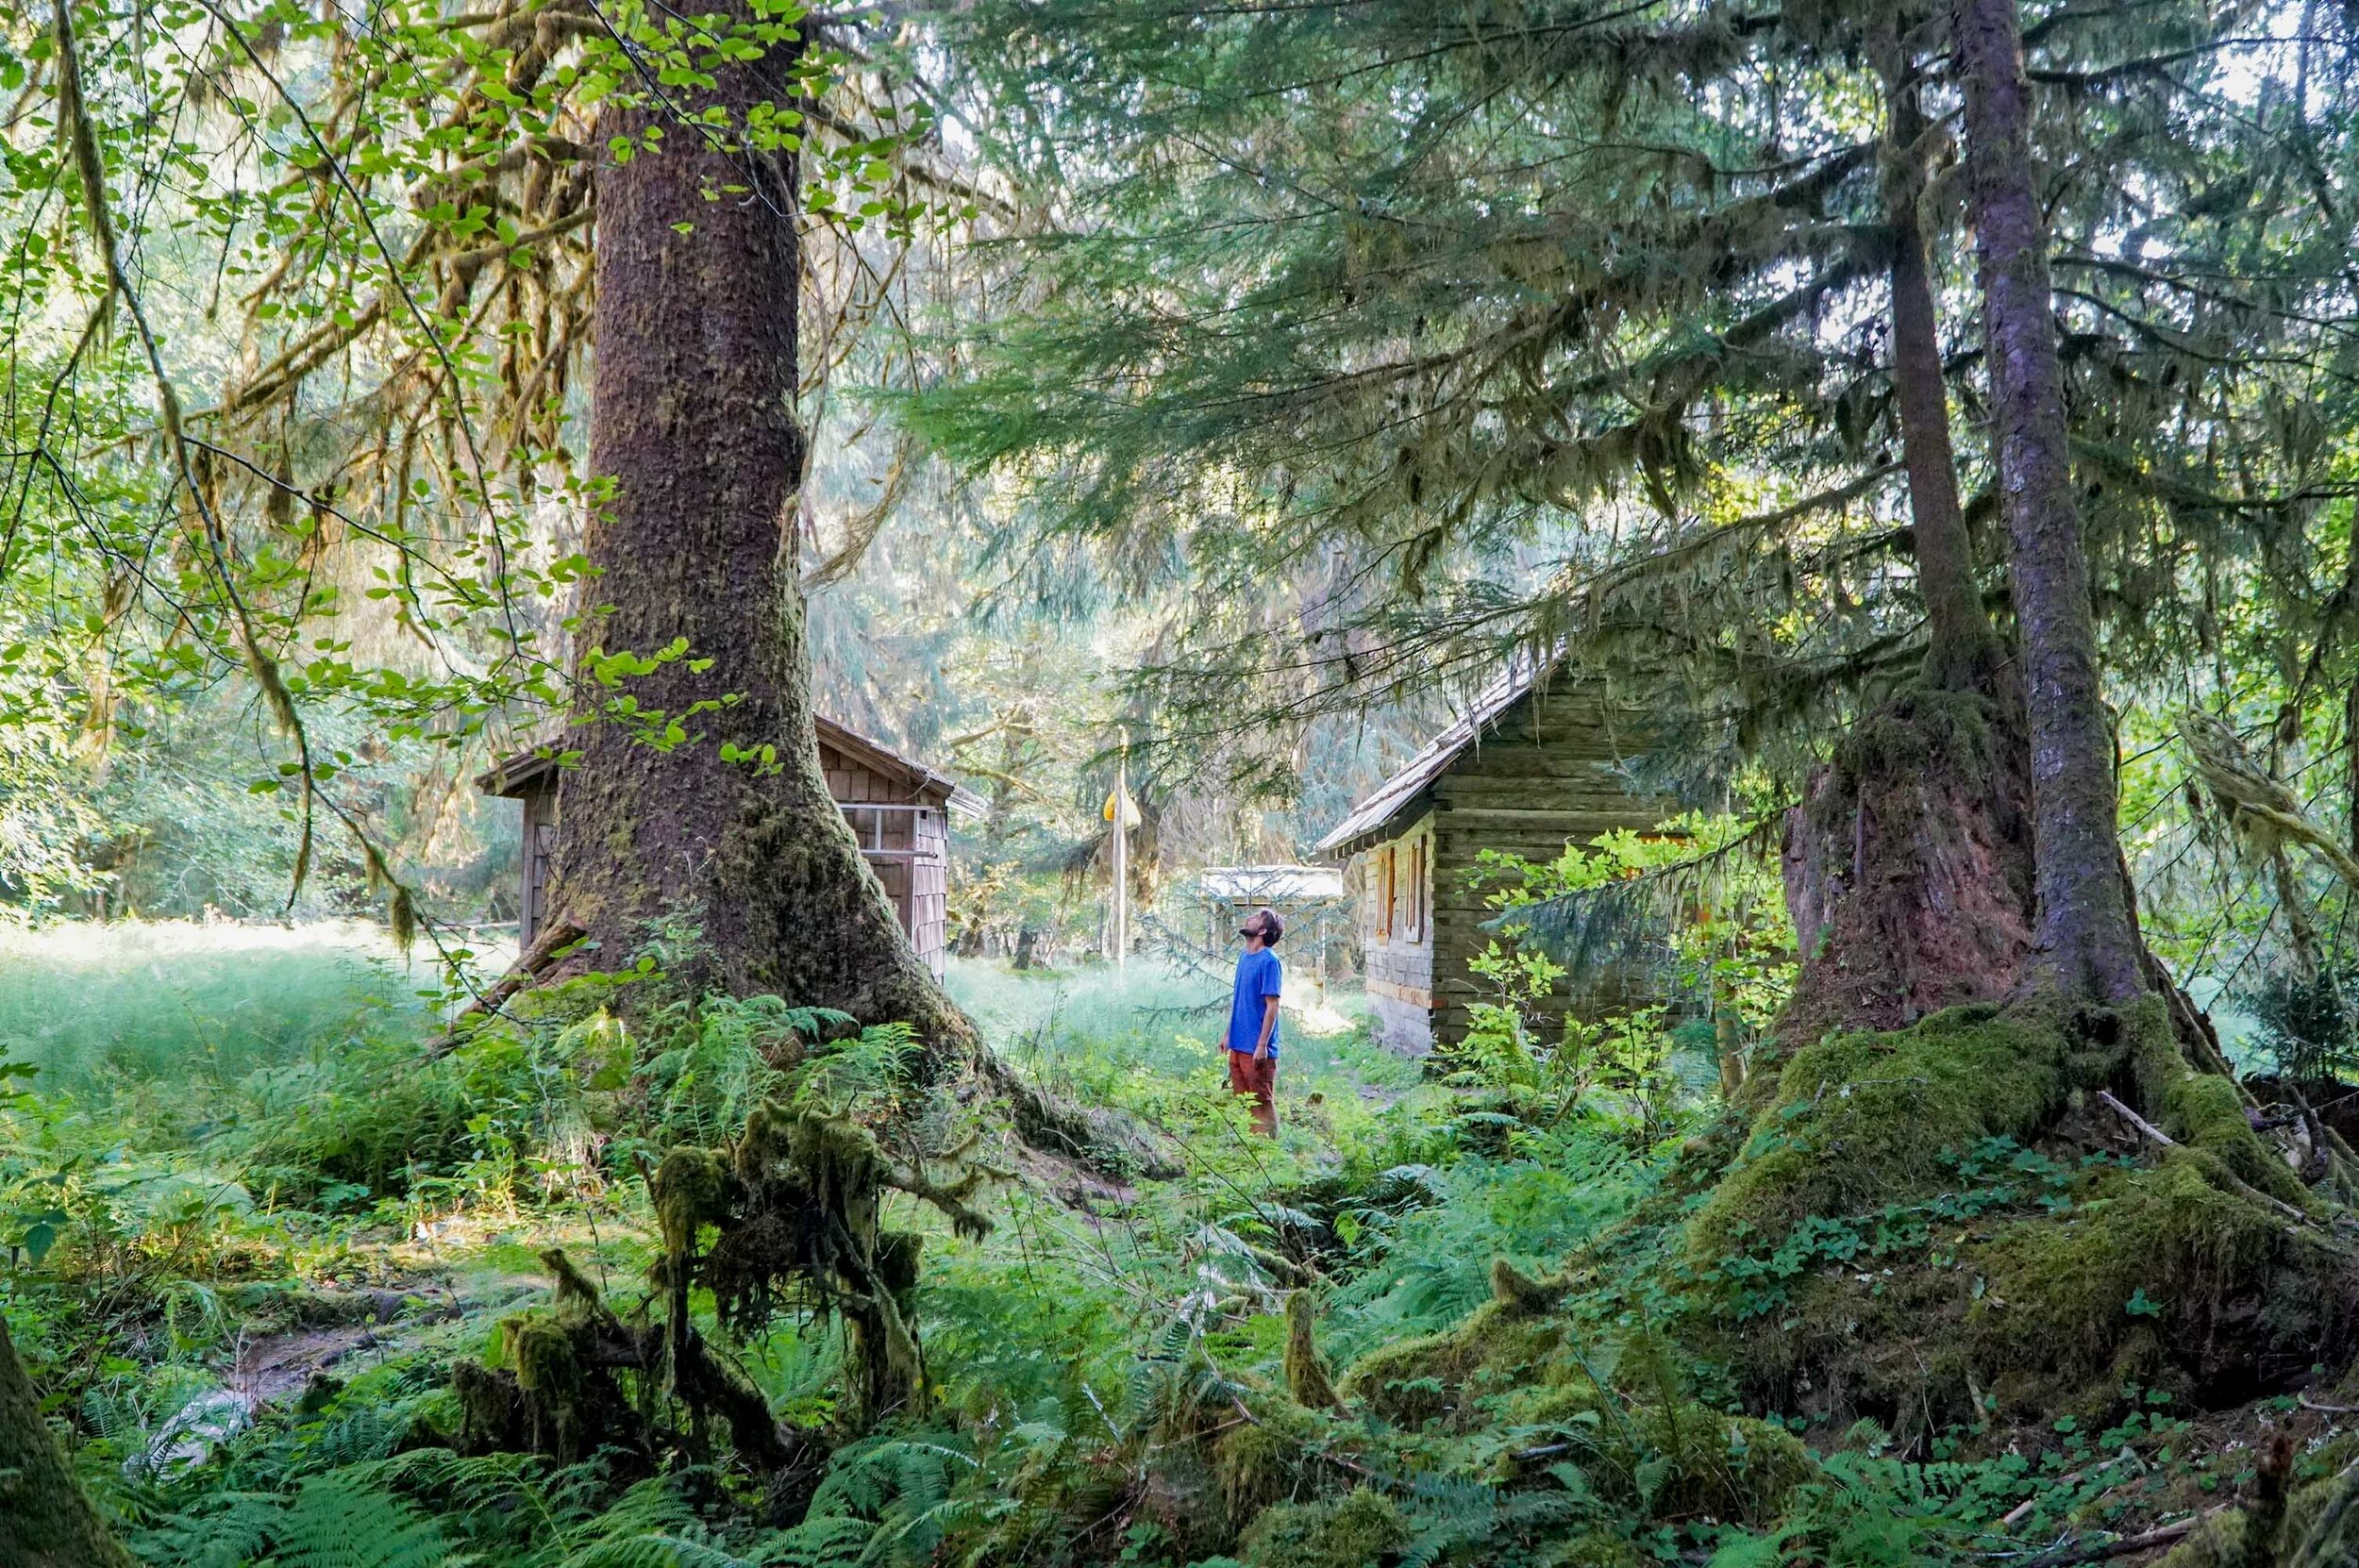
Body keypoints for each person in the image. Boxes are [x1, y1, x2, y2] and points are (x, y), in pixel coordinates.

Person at [1225, 906, 1284, 1137]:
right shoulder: (1244, 957)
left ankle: (1271, 1150)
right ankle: (1252, 1147)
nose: (1249, 918)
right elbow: (1240, 1000)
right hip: (1238, 1044)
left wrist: (1262, 1045)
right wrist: (1228, 1034)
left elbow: (1272, 1006)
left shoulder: (1269, 961)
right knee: (1244, 1101)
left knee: (1262, 1101)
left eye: (1256, 917)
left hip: (1258, 1048)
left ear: (1262, 930)